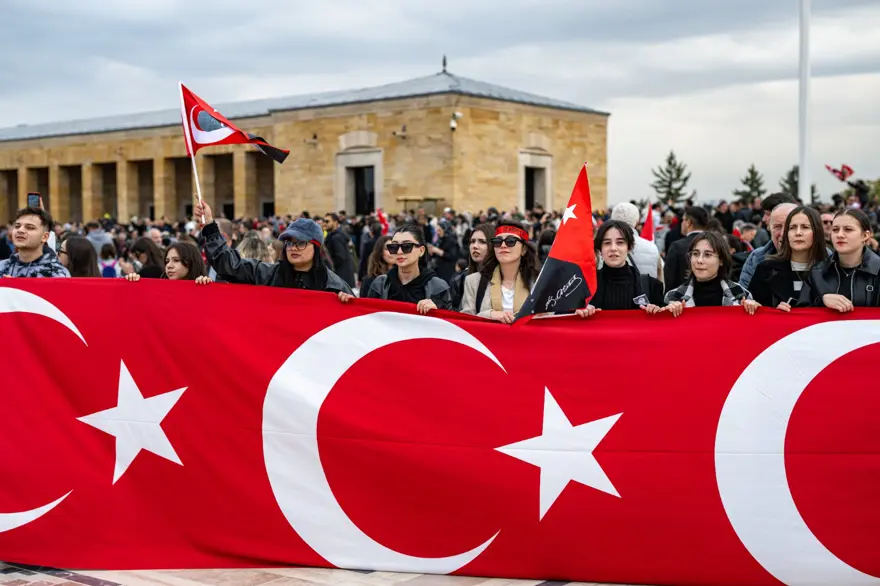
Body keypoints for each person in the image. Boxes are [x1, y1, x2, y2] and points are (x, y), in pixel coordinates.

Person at [194, 200, 352, 294]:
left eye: (301, 243)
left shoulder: (334, 286)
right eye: (289, 242)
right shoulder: (268, 274)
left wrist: (346, 303)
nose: (293, 248)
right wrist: (209, 225)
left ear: (316, 248)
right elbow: (229, 265)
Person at [349, 223, 451, 314]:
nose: (399, 252)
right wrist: (347, 302)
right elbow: (366, 318)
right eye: (393, 247)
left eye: (406, 246)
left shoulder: (438, 287)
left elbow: (451, 328)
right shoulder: (380, 284)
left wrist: (437, 312)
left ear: (421, 250)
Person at [576, 220, 664, 317]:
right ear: (600, 249)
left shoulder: (651, 287)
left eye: (620, 242)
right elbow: (563, 320)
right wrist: (576, 314)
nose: (613, 248)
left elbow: (665, 326)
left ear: (629, 247)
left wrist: (668, 309)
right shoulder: (583, 287)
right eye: (607, 243)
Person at [460, 220, 540, 323]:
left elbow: (548, 321)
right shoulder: (473, 281)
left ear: (523, 249)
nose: (503, 245)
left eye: (510, 241)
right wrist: (489, 315)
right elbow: (465, 322)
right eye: (497, 241)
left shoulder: (539, 282)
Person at [750, 206, 827, 311]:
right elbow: (754, 311)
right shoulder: (766, 270)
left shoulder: (831, 271)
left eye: (805, 227)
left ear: (817, 232)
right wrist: (772, 313)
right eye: (792, 227)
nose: (798, 233)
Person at [663, 231, 758, 316]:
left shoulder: (741, 295)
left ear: (721, 260)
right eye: (695, 254)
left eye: (707, 255)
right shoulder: (673, 297)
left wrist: (755, 311)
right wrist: (667, 314)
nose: (699, 260)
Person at [810, 209, 880, 310]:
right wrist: (821, 300)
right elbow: (801, 314)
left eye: (848, 229)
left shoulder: (878, 270)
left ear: (865, 235)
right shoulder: (817, 272)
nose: (840, 235)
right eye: (835, 230)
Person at [739, 196, 798, 288]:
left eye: (790, 226)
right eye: (777, 226)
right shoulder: (756, 258)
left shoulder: (823, 258)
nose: (783, 233)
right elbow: (744, 295)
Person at [0, 207, 69, 278]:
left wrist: (17, 287)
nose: (20, 230)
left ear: (45, 237)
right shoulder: (2, 267)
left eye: (30, 227)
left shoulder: (58, 273)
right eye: (17, 226)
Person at [610, 202, 662, 280]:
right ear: (637, 222)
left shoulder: (603, 247)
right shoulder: (652, 248)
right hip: (645, 291)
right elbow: (660, 282)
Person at [450, 223, 494, 309]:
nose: (475, 246)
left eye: (482, 242)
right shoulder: (460, 279)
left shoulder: (503, 278)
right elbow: (452, 311)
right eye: (472, 241)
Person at [664, 206, 709, 289]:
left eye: (683, 220)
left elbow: (669, 279)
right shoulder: (716, 244)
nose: (682, 223)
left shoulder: (677, 246)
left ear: (688, 223)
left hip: (682, 298)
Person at [126, 242, 212, 284]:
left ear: (191, 262)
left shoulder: (204, 284)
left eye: (176, 260)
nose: (169, 266)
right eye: (167, 261)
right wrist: (134, 283)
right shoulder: (159, 291)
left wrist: (206, 287)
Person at [324, 213, 356, 288]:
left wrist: (330, 267)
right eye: (324, 221)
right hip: (342, 276)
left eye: (327, 221)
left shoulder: (336, 237)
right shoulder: (335, 235)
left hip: (341, 277)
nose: (325, 224)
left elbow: (340, 257)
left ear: (335, 222)